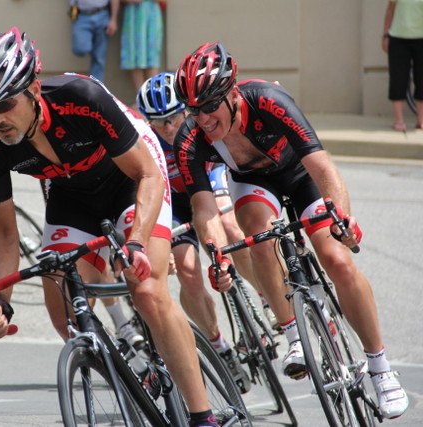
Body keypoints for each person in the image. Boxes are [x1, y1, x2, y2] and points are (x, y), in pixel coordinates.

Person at [0, 27, 222, 426]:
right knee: (62, 303)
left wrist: (135, 243)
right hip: (71, 194)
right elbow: (2, 231)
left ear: (33, 88)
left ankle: (202, 416)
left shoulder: (81, 99)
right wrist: (1, 300)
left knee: (147, 290)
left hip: (131, 177)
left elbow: (149, 176)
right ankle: (127, 370)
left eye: (5, 103)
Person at [173, 41, 409, 420]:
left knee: (337, 259)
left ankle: (381, 368)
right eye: (192, 109)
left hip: (300, 175)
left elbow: (323, 168)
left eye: (208, 106)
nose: (200, 118)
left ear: (232, 94)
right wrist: (215, 255)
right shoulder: (191, 139)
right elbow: (204, 209)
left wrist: (341, 221)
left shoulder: (269, 101)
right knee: (257, 237)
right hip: (253, 183)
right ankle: (293, 333)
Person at [136, 71, 254, 393]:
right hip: (175, 206)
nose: (169, 128)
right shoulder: (145, 144)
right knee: (188, 271)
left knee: (229, 225)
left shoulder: (199, 129)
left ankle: (266, 297)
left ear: (186, 111)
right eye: (159, 123)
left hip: (208, 182)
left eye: (174, 117)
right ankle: (219, 345)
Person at [382, 0, 423, 131]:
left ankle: (421, 119)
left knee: (421, 79)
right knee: (398, 78)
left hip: (421, 38)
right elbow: (390, 10)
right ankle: (399, 120)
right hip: (398, 38)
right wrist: (385, 35)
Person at [120, 0, 164, 101]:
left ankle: (154, 98)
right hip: (133, 16)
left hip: (151, 15)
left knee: (152, 58)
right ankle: (141, 99)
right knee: (135, 57)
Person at [69, 0, 120, 82]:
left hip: (102, 13)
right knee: (81, 48)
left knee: (99, 58)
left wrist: (113, 20)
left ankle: (95, 87)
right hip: (81, 14)